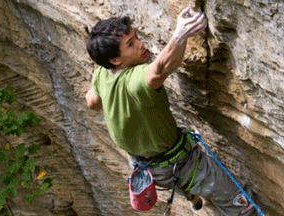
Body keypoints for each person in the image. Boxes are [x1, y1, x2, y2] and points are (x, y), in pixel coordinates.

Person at [84, 7, 256, 216]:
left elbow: (91, 102)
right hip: (178, 163)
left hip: (141, 161)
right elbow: (159, 70)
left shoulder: (102, 73)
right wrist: (181, 34)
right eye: (131, 44)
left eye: (136, 36)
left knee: (175, 164)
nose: (141, 44)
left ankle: (191, 194)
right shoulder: (134, 81)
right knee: (243, 205)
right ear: (115, 60)